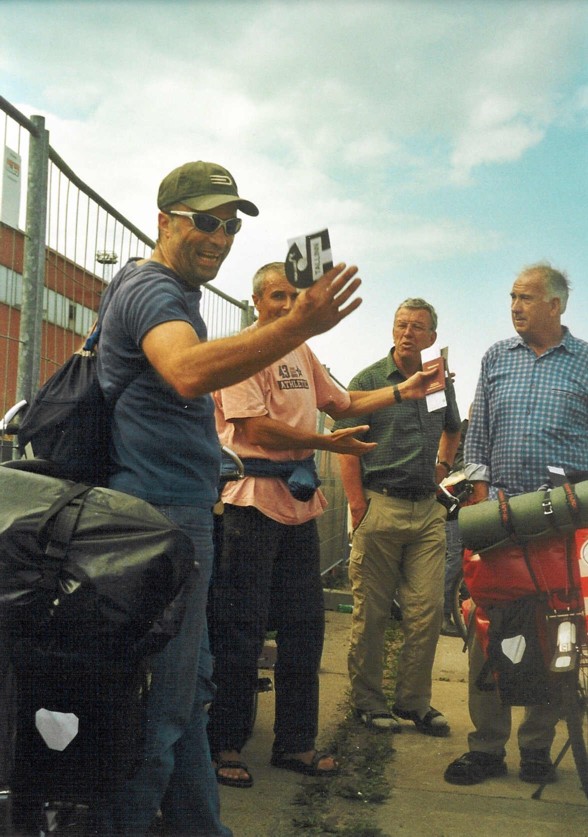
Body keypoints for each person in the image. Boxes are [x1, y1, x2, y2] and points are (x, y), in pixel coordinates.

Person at [94, 161, 366, 837]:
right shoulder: (153, 289)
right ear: (165, 221)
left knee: (190, 700)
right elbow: (187, 371)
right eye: (204, 221)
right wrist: (295, 323)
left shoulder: (175, 295)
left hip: (186, 518)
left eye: (229, 223)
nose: (219, 236)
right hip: (161, 525)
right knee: (162, 712)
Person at [208, 264, 438, 788]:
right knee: (240, 634)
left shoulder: (301, 352)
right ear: (255, 301)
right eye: (275, 296)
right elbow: (255, 430)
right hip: (251, 506)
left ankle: (295, 744)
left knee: (304, 632)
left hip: (296, 508)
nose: (287, 306)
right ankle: (225, 744)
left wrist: (406, 392)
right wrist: (325, 444)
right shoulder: (246, 351)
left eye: (293, 297)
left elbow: (344, 402)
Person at [444, 262, 588, 786]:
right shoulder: (495, 358)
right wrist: (481, 511)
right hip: (500, 522)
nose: (515, 306)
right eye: (512, 296)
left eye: (527, 297)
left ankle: (536, 747)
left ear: (556, 305)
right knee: (491, 632)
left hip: (560, 526)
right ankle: (485, 748)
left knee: (555, 634)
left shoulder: (586, 363)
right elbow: (477, 438)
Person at [334, 298, 461, 735]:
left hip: (427, 511)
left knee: (427, 612)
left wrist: (443, 467)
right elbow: (344, 443)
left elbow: (453, 427)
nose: (408, 332)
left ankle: (414, 702)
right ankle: (368, 702)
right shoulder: (368, 381)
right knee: (371, 614)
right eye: (401, 324)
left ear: (432, 337)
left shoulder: (438, 382)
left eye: (418, 327)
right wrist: (357, 506)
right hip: (379, 506)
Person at [440, 416, 469, 637]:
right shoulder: (463, 432)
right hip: (456, 507)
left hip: (466, 508)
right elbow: (457, 468)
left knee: (461, 560)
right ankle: (442, 616)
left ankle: (456, 611)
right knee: (455, 560)